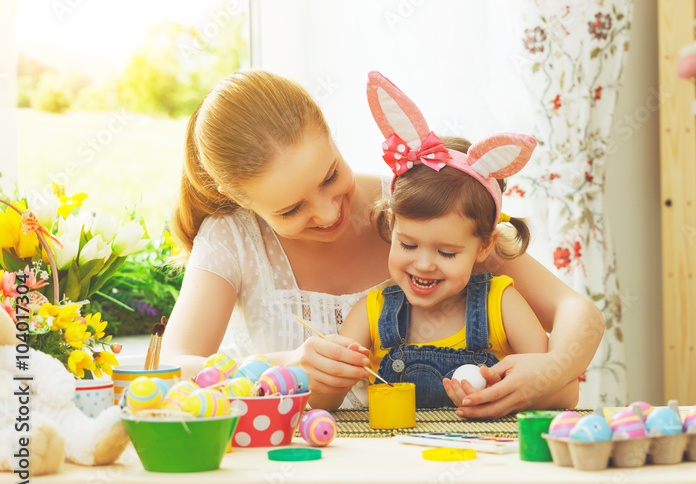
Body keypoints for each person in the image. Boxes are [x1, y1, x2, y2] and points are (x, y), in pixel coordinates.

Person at [161, 69, 603, 417]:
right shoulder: (233, 238)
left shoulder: (414, 208)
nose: (329, 212)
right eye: (291, 211)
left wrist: (553, 370)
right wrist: (282, 364)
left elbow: (575, 310)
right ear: (241, 203)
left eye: (331, 176)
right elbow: (168, 371)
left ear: (333, 135)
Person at [320, 72, 579, 412]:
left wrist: (504, 390)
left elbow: (565, 393)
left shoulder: (502, 304)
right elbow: (325, 403)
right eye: (408, 245)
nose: (424, 264)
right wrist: (330, 374)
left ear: (484, 246)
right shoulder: (372, 312)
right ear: (391, 226)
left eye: (446, 252)